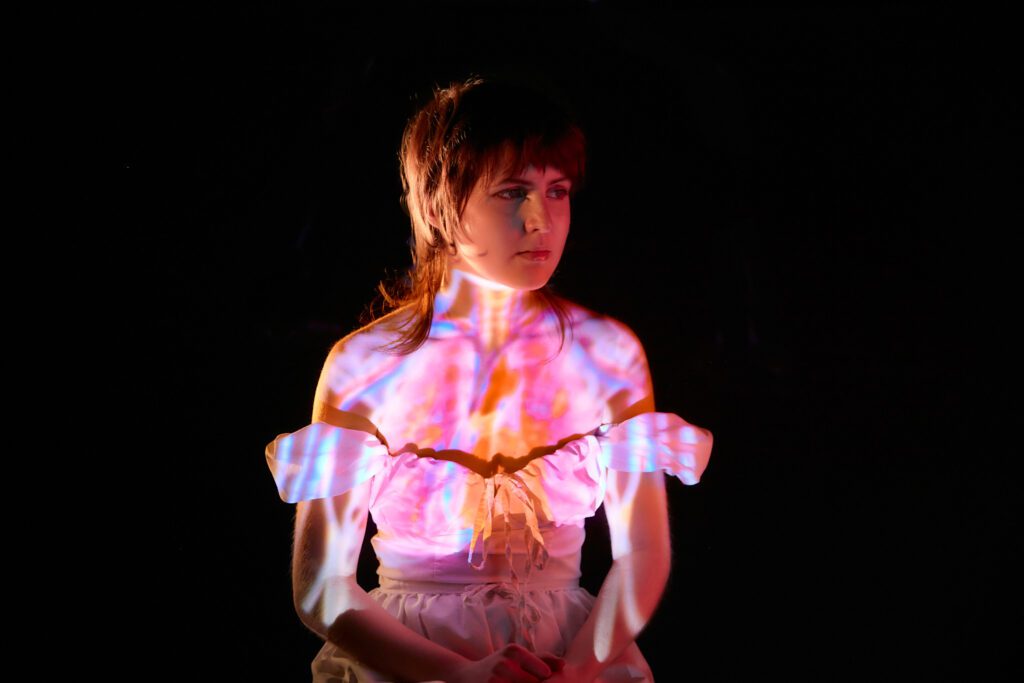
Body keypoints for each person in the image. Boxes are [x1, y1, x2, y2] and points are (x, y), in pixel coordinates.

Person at [265, 74, 713, 683]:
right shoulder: (366, 366)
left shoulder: (608, 355)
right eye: (511, 192)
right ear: (438, 205)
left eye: (556, 191)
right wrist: (460, 675)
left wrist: (579, 670)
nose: (541, 220)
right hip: (409, 658)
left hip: (576, 652)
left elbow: (643, 554)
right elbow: (322, 587)